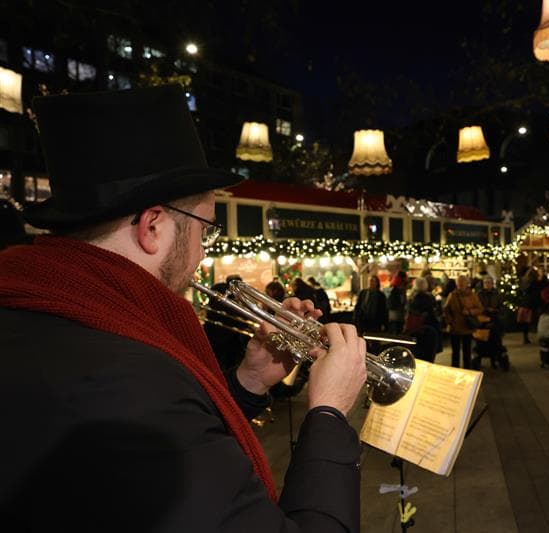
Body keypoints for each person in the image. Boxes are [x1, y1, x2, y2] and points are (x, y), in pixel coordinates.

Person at [0, 86, 366, 532]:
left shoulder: (42, 313)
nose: (199, 253)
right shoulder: (124, 379)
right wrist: (328, 411)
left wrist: (249, 381)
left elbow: (183, 450)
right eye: (203, 231)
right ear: (153, 227)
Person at [443, 274, 483, 368]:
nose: (460, 286)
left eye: (462, 283)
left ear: (467, 284)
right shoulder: (452, 295)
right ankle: (455, 369)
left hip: (467, 327)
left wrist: (469, 312)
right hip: (455, 327)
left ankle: (467, 369)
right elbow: (446, 309)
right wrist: (450, 321)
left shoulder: (472, 295)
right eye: (459, 284)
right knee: (455, 352)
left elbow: (480, 308)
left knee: (467, 351)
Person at [405, 277, 441, 362]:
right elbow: (435, 313)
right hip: (428, 329)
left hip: (416, 329)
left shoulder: (412, 298)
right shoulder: (430, 298)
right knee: (428, 354)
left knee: (417, 354)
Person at [476, 275, 505, 369]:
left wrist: (495, 311)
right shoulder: (479, 294)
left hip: (495, 319)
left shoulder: (497, 294)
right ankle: (479, 359)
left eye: (489, 283)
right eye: (486, 283)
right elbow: (478, 306)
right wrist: (485, 310)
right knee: (481, 340)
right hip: (483, 320)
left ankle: (495, 360)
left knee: (495, 340)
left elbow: (501, 306)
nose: (488, 284)